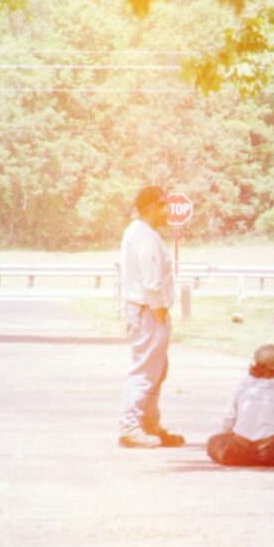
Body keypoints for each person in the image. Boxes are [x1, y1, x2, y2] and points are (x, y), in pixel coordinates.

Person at [118, 185, 185, 449]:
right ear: (151, 207)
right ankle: (131, 426)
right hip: (149, 310)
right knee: (146, 372)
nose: (168, 211)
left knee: (156, 371)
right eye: (163, 205)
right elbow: (152, 283)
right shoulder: (146, 237)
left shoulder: (135, 232)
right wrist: (160, 314)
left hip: (142, 309)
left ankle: (149, 424)